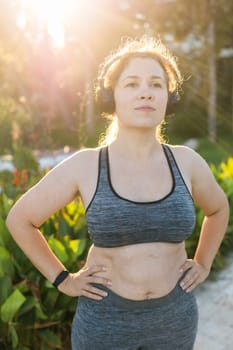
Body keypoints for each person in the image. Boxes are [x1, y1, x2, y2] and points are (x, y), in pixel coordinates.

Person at [6, 37, 229, 350]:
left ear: (170, 96)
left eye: (156, 84)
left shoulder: (187, 161)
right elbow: (21, 219)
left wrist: (203, 263)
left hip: (174, 319)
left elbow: (218, 210)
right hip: (105, 322)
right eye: (132, 84)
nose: (145, 92)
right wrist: (64, 280)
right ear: (110, 97)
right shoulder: (85, 165)